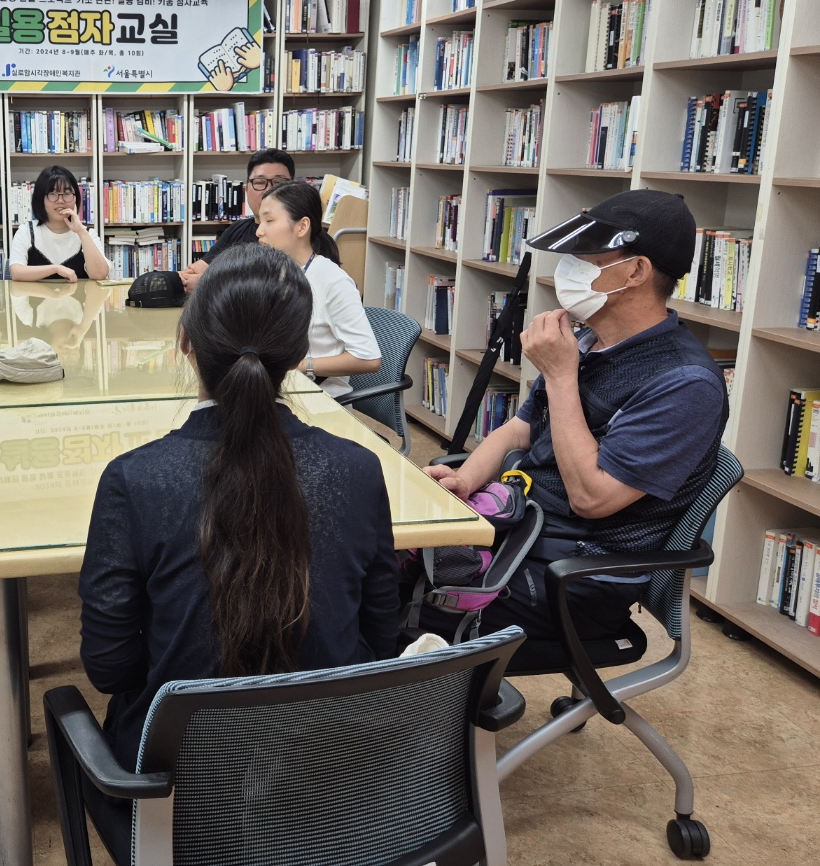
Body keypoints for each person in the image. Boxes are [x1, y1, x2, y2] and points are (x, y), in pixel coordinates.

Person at [79, 243, 401, 773]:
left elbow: (110, 668)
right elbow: (380, 638)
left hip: (182, 790)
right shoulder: (359, 469)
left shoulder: (133, 480)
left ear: (184, 340)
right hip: (334, 779)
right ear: (300, 355)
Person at [422, 190, 729, 641]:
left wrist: (562, 377)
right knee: (366, 548)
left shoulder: (685, 383)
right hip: (518, 527)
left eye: (586, 256)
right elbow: (520, 429)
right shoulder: (588, 341)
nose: (569, 266)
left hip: (574, 576)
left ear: (636, 271)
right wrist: (466, 482)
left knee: (379, 595)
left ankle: (393, 706)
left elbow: (592, 497)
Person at [256, 179, 381, 400]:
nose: (259, 231)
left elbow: (368, 359)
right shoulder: (277, 272)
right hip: (276, 392)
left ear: (302, 226)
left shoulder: (333, 282)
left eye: (269, 221)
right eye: (259, 221)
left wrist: (301, 366)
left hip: (316, 400)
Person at [178, 148, 294, 293]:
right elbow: (203, 266)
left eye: (278, 183)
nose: (269, 191)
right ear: (246, 190)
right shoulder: (237, 230)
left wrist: (209, 284)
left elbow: (279, 287)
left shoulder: (300, 235)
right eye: (259, 182)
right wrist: (185, 276)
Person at [8, 164, 110, 282]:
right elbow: (16, 272)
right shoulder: (26, 232)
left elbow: (100, 275)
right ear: (41, 198)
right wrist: (55, 269)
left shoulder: (88, 234)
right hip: (34, 299)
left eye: (67, 194)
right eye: (52, 194)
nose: (60, 200)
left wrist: (81, 232)